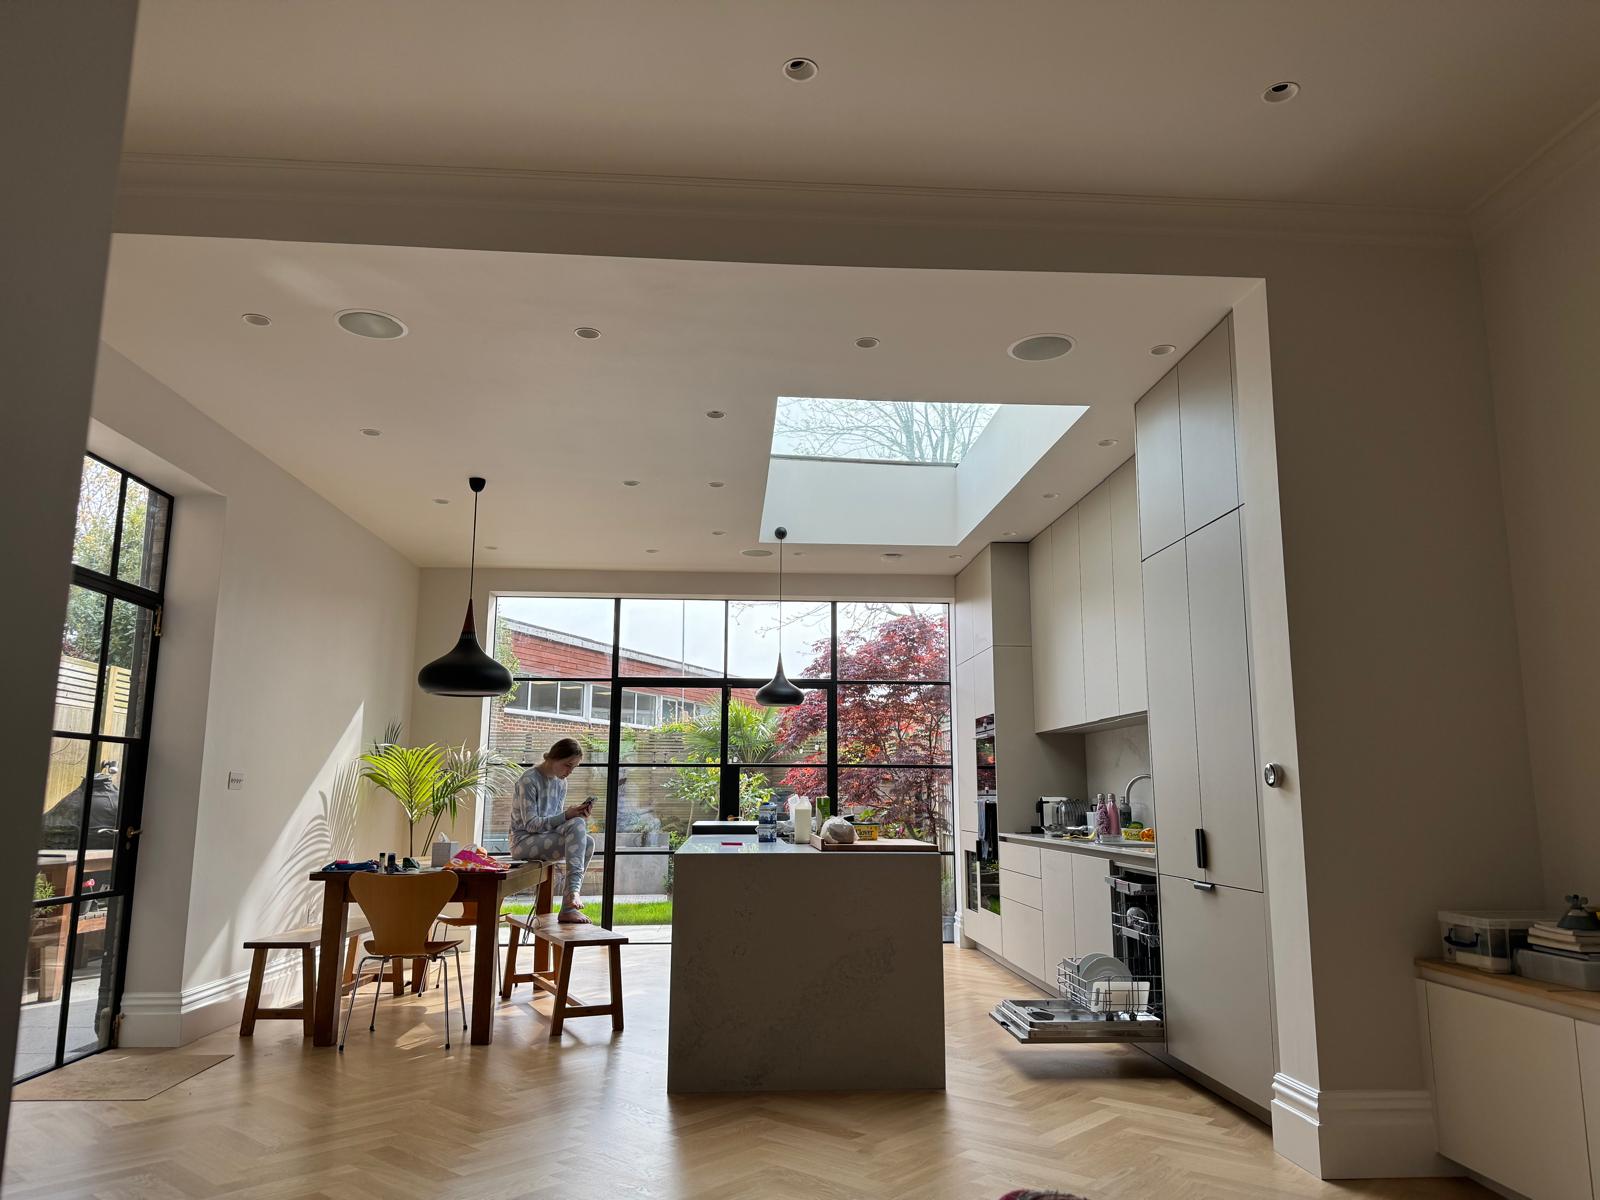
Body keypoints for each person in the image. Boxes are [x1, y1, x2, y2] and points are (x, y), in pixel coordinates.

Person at [509, 738, 596, 924]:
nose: (570, 772)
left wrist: (574, 816)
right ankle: (572, 894)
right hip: (523, 842)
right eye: (567, 765)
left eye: (574, 768)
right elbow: (531, 825)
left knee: (587, 840)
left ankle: (568, 906)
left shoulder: (561, 784)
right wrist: (566, 816)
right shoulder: (529, 780)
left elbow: (555, 823)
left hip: (544, 839)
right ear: (554, 758)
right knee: (577, 826)